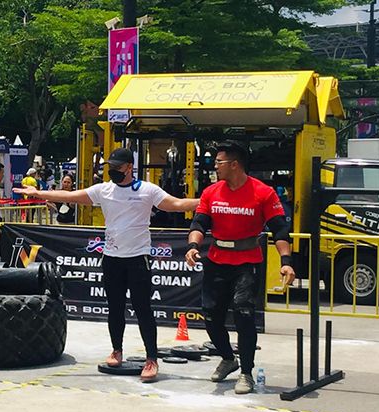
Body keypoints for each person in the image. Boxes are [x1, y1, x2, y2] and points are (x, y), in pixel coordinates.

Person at [15, 147, 198, 383]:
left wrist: (207, 201)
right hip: (112, 258)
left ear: (129, 168)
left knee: (143, 309)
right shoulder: (104, 190)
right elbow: (70, 197)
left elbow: (177, 204)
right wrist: (39, 193)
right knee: (115, 307)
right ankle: (117, 350)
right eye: (109, 168)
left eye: (116, 168)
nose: (111, 172)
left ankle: (151, 358)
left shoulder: (147, 190)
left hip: (138, 258)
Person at [185, 141, 295, 394]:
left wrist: (286, 262)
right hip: (216, 260)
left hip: (247, 261)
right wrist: (192, 246)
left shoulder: (263, 192)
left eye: (219, 162)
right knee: (211, 315)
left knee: (244, 314)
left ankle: (246, 372)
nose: (215, 167)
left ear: (234, 164)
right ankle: (227, 358)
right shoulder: (211, 192)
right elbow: (199, 223)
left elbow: (279, 229)